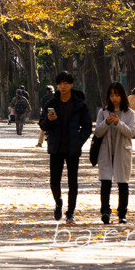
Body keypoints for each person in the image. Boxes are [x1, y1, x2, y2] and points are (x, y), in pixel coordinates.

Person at [38, 71, 92, 224]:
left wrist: (78, 141)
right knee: (54, 181)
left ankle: (70, 212)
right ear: (57, 85)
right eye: (60, 83)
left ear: (71, 85)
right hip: (56, 148)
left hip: (72, 149)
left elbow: (87, 127)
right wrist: (48, 120)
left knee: (72, 182)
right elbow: (42, 124)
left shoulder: (80, 104)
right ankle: (59, 203)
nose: (63, 86)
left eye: (66, 83)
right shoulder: (51, 103)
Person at [94, 82, 135, 224]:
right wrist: (106, 122)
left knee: (122, 183)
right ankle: (105, 211)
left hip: (122, 152)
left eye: (117, 95)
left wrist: (118, 123)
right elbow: (98, 133)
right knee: (105, 182)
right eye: (111, 95)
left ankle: (122, 213)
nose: (114, 98)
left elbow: (131, 133)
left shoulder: (129, 113)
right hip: (106, 151)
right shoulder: (103, 112)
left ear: (122, 96)